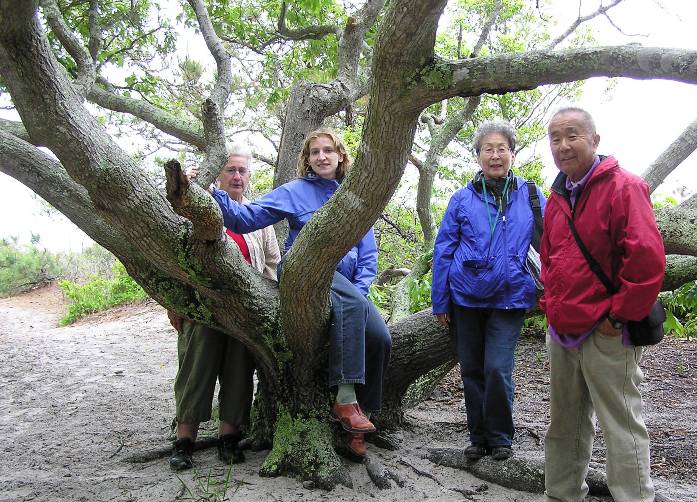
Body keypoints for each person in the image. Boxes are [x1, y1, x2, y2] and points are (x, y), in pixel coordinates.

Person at [520, 107, 666, 502]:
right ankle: (564, 501)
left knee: (620, 421)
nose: (563, 146)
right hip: (563, 327)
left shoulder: (625, 187)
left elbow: (646, 261)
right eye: (555, 138)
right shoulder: (559, 195)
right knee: (563, 422)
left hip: (607, 330)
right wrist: (549, 307)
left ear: (595, 139)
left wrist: (616, 315)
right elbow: (552, 255)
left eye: (572, 136)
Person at [211, 128, 391, 460]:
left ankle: (363, 418)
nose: (321, 157)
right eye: (314, 152)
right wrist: (214, 193)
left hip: (347, 286)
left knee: (381, 337)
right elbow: (243, 219)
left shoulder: (354, 195)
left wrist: (362, 290)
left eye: (328, 150)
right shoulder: (295, 191)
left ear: (340, 156)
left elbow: (368, 255)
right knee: (351, 303)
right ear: (307, 160)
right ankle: (346, 399)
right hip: (302, 272)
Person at [431, 120, 546, 461]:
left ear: (513, 153)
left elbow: (552, 243)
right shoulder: (462, 199)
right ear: (478, 155)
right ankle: (478, 437)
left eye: (502, 149)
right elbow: (444, 249)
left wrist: (546, 289)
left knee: (497, 367)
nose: (495, 155)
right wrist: (441, 301)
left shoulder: (530, 194)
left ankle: (500, 437)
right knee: (471, 369)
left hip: (511, 298)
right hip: (466, 296)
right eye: (488, 149)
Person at [169, 147, 281, 470]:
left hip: (245, 310)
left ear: (248, 177)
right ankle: (184, 440)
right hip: (202, 309)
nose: (236, 176)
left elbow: (271, 263)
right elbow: (173, 259)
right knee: (195, 369)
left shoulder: (259, 218)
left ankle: (228, 438)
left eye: (242, 171)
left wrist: (263, 298)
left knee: (239, 372)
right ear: (218, 174)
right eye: (230, 169)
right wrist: (175, 303)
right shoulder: (197, 209)